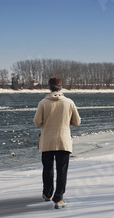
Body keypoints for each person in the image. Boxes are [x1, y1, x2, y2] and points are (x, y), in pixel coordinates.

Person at [33, 77, 81, 209]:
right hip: (64, 141)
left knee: (47, 168)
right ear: (61, 87)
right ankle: (58, 199)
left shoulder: (43, 103)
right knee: (62, 170)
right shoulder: (69, 102)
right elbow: (77, 122)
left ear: (49, 87)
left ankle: (47, 193)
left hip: (47, 141)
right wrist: (66, 121)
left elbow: (37, 122)